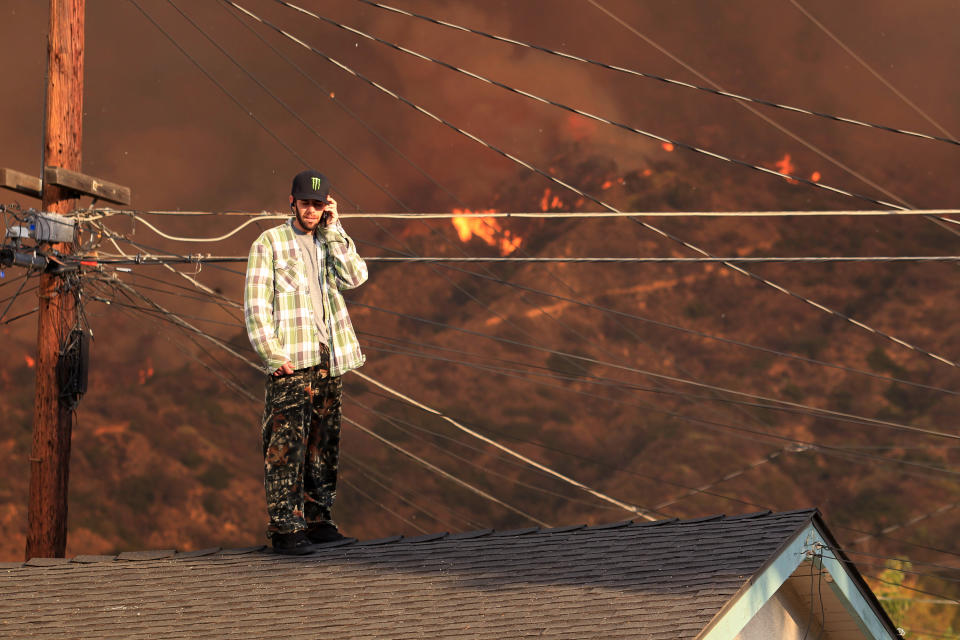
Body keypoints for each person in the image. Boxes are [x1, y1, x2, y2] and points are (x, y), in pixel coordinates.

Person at [244, 169, 368, 555]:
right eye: (305, 203)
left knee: (323, 446)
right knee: (285, 447)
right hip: (291, 361)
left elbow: (356, 276)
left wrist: (335, 230)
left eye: (319, 204)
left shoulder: (329, 241)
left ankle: (318, 522)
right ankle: (285, 528)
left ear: (326, 205)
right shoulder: (269, 243)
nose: (311, 210)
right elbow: (255, 306)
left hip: (328, 358)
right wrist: (272, 354)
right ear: (292, 201)